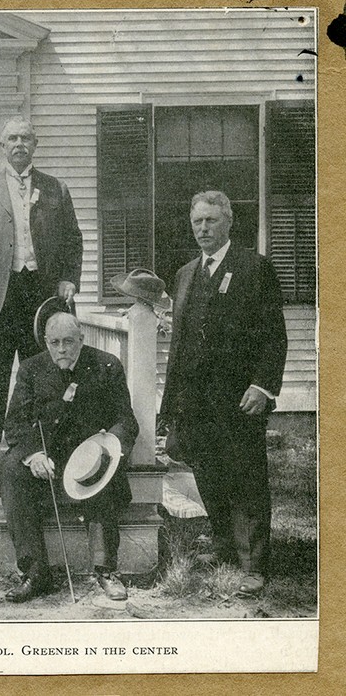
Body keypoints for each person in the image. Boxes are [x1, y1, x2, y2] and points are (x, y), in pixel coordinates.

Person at [161, 190, 288, 597]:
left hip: (238, 399)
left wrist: (263, 386)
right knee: (209, 475)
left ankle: (253, 565)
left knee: (247, 478)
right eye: (197, 221)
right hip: (195, 401)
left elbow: (274, 338)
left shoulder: (255, 269)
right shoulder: (184, 275)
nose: (203, 229)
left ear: (229, 222)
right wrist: (170, 404)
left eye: (211, 221)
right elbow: (178, 345)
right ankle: (224, 546)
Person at [0, 312, 138, 603]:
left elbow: (126, 420)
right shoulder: (31, 369)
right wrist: (34, 455)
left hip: (91, 454)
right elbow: (14, 424)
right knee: (11, 468)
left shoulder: (106, 365)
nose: (61, 349)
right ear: (46, 342)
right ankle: (35, 572)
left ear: (81, 340)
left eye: (69, 342)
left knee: (104, 470)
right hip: (47, 460)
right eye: (55, 342)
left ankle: (105, 570)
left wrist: (108, 446)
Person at [0, 117, 83, 468]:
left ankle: (43, 441)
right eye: (12, 139)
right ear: (2, 147)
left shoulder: (55, 189)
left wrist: (68, 278)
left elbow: (72, 240)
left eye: (25, 138)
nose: (19, 144)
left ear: (35, 145)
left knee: (43, 370)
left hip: (41, 291)